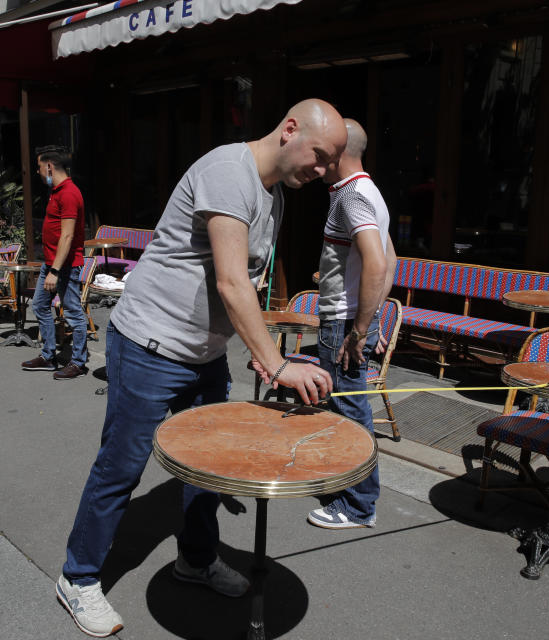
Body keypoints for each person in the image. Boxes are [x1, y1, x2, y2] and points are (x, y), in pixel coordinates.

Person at [56, 99, 347, 637]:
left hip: (204, 354)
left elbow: (249, 284)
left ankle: (195, 559)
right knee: (121, 466)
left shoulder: (274, 194)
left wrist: (264, 355)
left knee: (211, 467)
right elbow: (231, 282)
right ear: (289, 131)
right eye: (321, 156)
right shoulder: (227, 172)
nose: (325, 170)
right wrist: (276, 363)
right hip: (149, 344)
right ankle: (78, 577)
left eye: (332, 163)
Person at [307, 119, 397, 530]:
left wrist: (360, 330)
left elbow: (379, 264)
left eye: (323, 150)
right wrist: (372, 317)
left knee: (349, 412)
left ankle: (358, 506)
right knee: (348, 408)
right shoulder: (368, 192)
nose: (317, 160)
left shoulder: (351, 196)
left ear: (339, 149)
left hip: (343, 322)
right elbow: (389, 260)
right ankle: (352, 494)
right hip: (351, 317)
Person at [21, 145, 89, 381]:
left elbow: (68, 235)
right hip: (51, 264)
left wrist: (55, 270)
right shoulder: (57, 191)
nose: (38, 172)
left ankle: (79, 362)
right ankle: (49, 356)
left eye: (39, 167)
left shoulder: (69, 193)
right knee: (39, 305)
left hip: (64, 266)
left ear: (49, 166)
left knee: (73, 312)